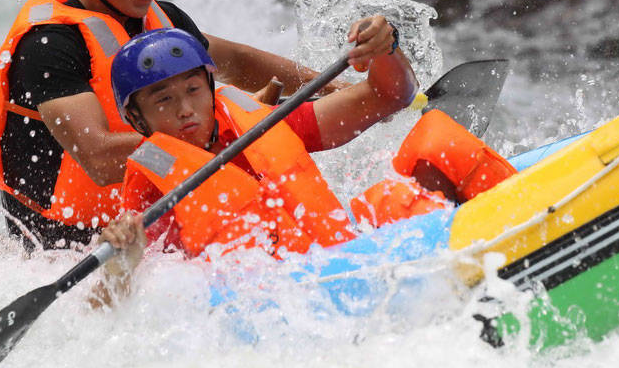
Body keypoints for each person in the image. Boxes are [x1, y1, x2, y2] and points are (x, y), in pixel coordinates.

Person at [0, 0, 353, 250]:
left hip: (155, 217)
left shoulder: (164, 21)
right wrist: (216, 133)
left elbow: (238, 61)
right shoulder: (48, 45)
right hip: (63, 244)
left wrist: (334, 87)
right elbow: (98, 158)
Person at [104, 27, 516, 260]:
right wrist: (124, 258)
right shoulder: (153, 191)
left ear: (211, 89)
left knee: (437, 142)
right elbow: (126, 304)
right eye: (163, 100)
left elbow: (388, 96)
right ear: (136, 119)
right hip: (276, 303)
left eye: (194, 90)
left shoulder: (259, 124)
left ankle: (525, 232)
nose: (185, 110)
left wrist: (386, 50)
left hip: (337, 257)